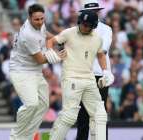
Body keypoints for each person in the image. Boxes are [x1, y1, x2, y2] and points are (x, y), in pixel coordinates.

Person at [47, 10, 114, 140]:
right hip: (71, 77)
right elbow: (51, 40)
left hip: (89, 78)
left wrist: (106, 71)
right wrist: (50, 52)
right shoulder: (69, 32)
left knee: (99, 115)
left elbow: (100, 55)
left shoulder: (97, 38)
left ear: (94, 25)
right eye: (82, 24)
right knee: (69, 115)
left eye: (87, 25)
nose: (84, 27)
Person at [9, 4, 66, 140]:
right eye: (37, 20)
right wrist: (57, 56)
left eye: (42, 19)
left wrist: (59, 39)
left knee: (43, 105)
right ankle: (16, 136)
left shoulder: (40, 25)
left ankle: (27, 136)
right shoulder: (27, 35)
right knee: (31, 104)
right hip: (21, 72)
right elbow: (40, 59)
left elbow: (45, 34)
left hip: (35, 71)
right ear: (29, 18)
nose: (40, 22)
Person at [77, 0, 113, 139]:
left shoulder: (105, 29)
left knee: (100, 113)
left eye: (95, 12)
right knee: (82, 113)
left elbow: (101, 51)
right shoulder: (76, 31)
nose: (93, 14)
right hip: (82, 74)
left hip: (99, 75)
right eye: (89, 12)